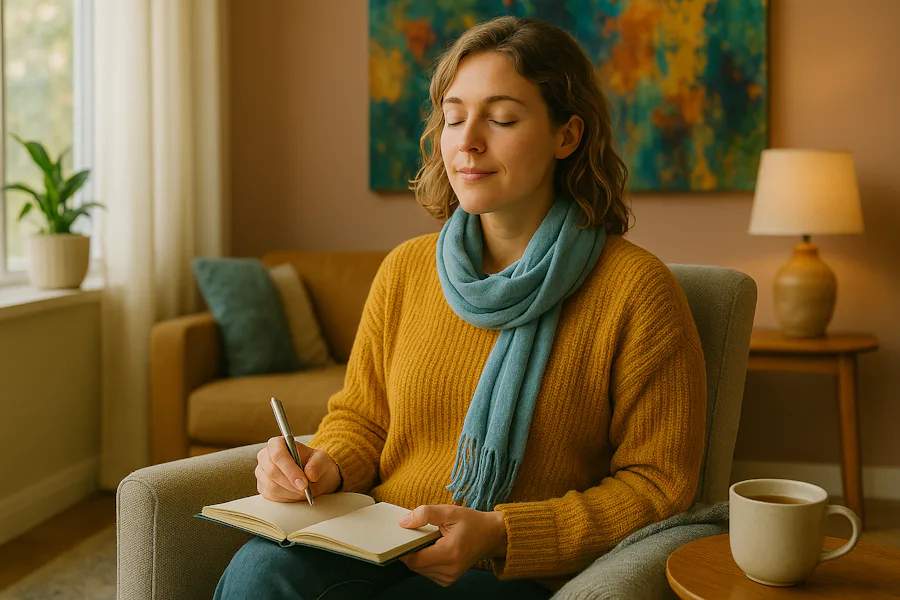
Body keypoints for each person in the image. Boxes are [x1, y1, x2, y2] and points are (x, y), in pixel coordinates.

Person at [215, 15, 705, 600]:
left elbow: (658, 485)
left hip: (511, 568)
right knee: (257, 572)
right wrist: (325, 464)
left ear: (567, 136)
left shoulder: (636, 290)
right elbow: (362, 419)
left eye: (501, 119)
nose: (467, 140)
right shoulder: (407, 269)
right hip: (386, 537)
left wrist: (501, 533)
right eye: (453, 116)